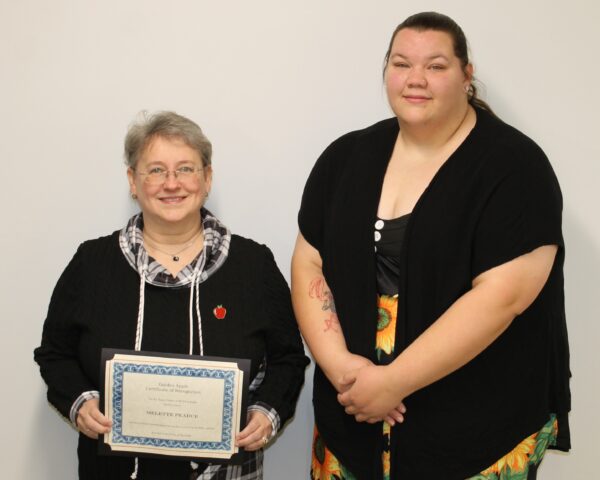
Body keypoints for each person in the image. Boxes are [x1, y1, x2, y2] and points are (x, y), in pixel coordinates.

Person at [292, 11, 570, 480]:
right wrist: (343, 369)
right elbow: (308, 263)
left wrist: (392, 382)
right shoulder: (346, 157)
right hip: (353, 414)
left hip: (474, 430)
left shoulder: (516, 167)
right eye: (401, 64)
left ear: (467, 75)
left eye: (436, 66)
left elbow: (504, 297)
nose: (415, 79)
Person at [34, 111, 309, 480]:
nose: (172, 183)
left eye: (185, 169)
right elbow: (55, 353)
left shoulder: (253, 265)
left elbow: (288, 358)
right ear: (133, 181)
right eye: (156, 170)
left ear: (207, 178)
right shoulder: (91, 264)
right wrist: (80, 403)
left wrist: (267, 412)